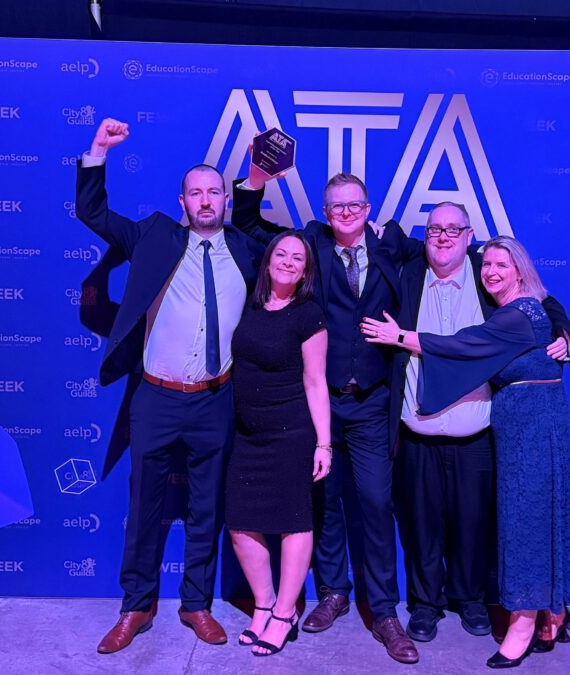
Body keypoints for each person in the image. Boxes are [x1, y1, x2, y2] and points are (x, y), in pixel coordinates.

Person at [75, 118, 265, 654]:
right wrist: (98, 150)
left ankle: (196, 604)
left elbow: (298, 261)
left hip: (217, 398)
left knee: (207, 507)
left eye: (214, 192)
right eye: (195, 193)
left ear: (225, 199)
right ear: (182, 200)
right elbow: (92, 212)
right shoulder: (154, 235)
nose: (205, 200)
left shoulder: (248, 250)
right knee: (144, 506)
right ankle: (136, 606)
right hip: (155, 397)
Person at [361, 235, 570, 669]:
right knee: (536, 524)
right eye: (487, 265)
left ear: (520, 270)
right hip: (520, 431)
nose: (492, 272)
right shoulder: (513, 308)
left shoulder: (521, 313)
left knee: (526, 528)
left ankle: (522, 626)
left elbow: (464, 344)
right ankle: (551, 613)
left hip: (537, 432)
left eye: (503, 265)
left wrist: (400, 336)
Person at [231, 156, 420, 663]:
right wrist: (255, 180)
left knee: (376, 503)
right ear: (325, 211)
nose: (346, 213)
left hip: (372, 401)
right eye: (337, 206)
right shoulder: (310, 243)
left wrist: (551, 314)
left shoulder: (392, 244)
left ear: (368, 208)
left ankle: (384, 612)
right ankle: (333, 591)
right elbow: (247, 223)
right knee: (325, 502)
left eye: (355, 205)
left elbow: (456, 255)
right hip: (318, 405)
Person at [225, 230, 331, 656]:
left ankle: (286, 614)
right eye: (281, 254)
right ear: (267, 262)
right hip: (247, 435)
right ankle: (264, 604)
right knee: (240, 523)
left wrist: (324, 444)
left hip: (292, 434)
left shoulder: (309, 315)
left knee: (294, 522)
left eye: (297, 258)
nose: (288, 261)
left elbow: (316, 381)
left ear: (305, 271)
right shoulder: (249, 305)